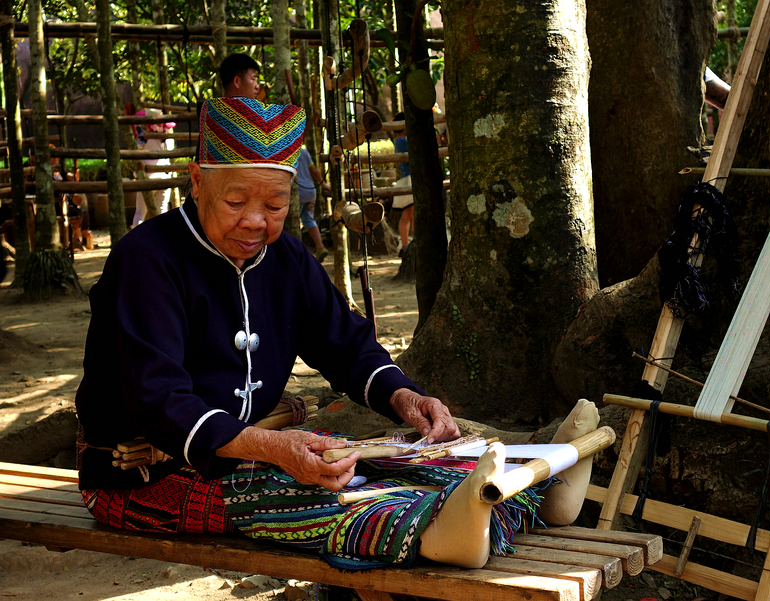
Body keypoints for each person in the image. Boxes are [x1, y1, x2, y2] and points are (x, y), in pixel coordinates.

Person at [74, 97, 598, 571]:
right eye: (236, 203)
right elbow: (160, 400)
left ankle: (540, 494)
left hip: (255, 450)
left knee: (394, 458)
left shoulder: (285, 259)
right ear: (196, 181)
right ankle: (445, 537)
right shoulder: (146, 262)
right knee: (320, 491)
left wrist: (404, 396)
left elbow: (344, 341)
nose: (256, 222)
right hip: (144, 479)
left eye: (276, 206)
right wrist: (273, 447)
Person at [132, 108, 176, 227]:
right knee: (160, 212)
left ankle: (138, 240)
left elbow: (137, 149)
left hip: (149, 178)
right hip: (164, 178)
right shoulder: (169, 138)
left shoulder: (144, 137)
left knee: (140, 214)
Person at [296, 146, 330, 262]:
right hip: (310, 191)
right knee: (309, 218)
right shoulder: (304, 152)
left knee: (294, 222)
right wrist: (324, 184)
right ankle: (320, 246)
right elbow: (314, 170)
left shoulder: (287, 151)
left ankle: (297, 253)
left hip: (297, 192)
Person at [390, 112, 414, 257]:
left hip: (407, 178)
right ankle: (405, 245)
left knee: (409, 214)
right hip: (407, 179)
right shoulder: (401, 141)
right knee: (407, 214)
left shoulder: (402, 140)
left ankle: (406, 244)